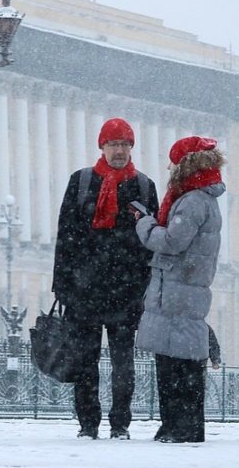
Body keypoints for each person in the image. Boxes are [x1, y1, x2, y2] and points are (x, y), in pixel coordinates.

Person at [51, 117, 159, 440]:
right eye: (114, 144)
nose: (120, 151)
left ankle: (120, 423)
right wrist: (63, 286)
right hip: (84, 291)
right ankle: (87, 423)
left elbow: (150, 245)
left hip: (125, 294)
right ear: (102, 146)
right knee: (86, 361)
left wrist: (145, 288)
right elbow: (65, 236)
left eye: (125, 144)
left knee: (123, 365)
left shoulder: (143, 186)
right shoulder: (81, 182)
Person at [133, 136, 226, 444]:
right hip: (182, 288)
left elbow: (173, 242)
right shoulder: (201, 198)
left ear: (185, 165)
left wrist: (144, 224)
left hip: (177, 290)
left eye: (173, 162)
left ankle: (179, 427)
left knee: (176, 365)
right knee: (180, 362)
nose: (169, 168)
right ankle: (179, 426)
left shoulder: (192, 200)